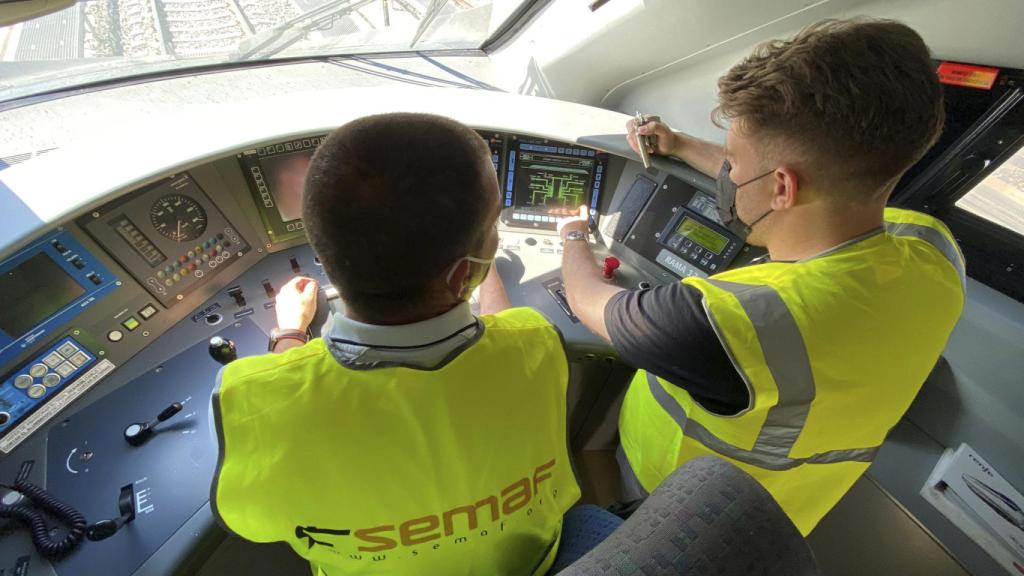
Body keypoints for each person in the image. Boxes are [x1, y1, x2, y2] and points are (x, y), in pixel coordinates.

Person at [557, 18, 966, 535]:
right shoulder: (933, 248)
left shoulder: (732, 319)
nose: (725, 174)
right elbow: (788, 179)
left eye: (731, 161)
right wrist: (681, 145)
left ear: (782, 189)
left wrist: (572, 234)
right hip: (783, 519)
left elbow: (588, 298)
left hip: (673, 505)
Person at [210, 113, 599, 575]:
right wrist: (479, 265)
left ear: (325, 257)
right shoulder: (536, 341)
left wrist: (292, 334)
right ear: (463, 273)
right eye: (493, 226)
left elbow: (254, 525)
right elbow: (503, 331)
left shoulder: (253, 396)